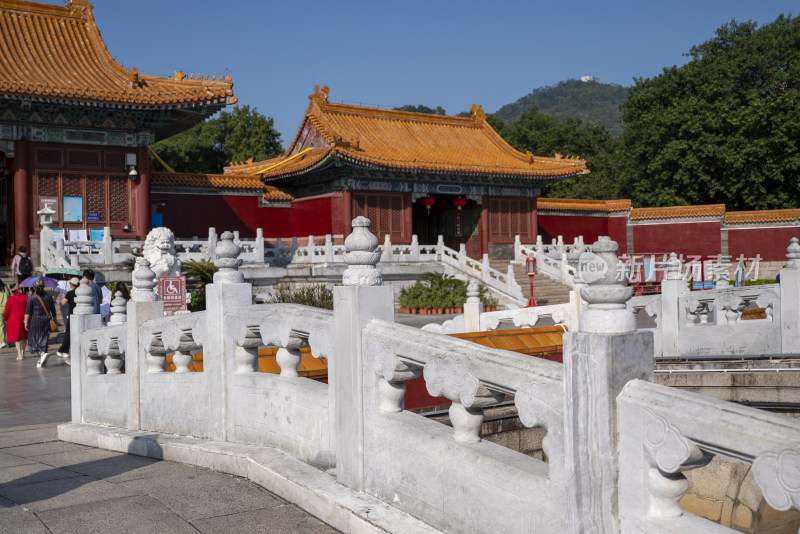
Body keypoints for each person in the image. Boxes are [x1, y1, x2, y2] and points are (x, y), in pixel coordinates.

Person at [24, 278, 57, 368]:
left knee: (33, 338)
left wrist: (25, 321)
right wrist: (54, 319)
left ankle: (42, 353)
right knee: (44, 337)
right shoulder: (48, 296)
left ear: (34, 287)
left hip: (35, 320)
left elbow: (28, 311)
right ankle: (42, 355)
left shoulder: (31, 297)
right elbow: (53, 309)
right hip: (46, 320)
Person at [56, 277, 79, 362]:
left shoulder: (70, 293)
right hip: (79, 315)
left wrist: (63, 297)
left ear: (72, 285)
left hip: (71, 315)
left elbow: (63, 302)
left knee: (68, 333)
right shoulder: (80, 293)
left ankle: (63, 350)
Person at [4, 285, 28, 360]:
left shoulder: (10, 299)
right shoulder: (26, 297)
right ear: (18, 289)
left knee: (16, 337)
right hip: (25, 318)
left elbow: (6, 311)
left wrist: (6, 318)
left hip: (14, 319)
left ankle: (19, 354)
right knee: (24, 336)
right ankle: (23, 352)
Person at [0, 279, 10, 349]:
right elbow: (9, 296)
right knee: (6, 325)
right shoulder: (6, 286)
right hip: (7, 307)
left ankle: (2, 341)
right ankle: (7, 340)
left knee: (1, 325)